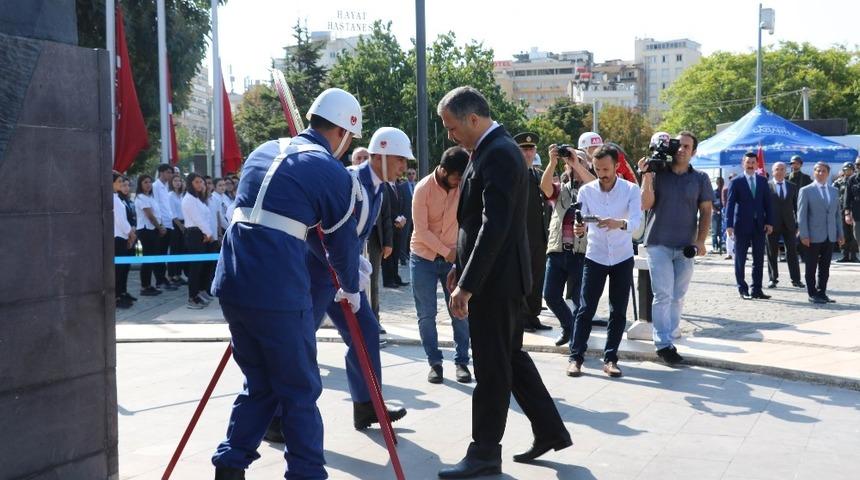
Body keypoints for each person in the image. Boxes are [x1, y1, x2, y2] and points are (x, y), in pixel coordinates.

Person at [210, 87, 364, 480]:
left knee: (260, 384)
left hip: (232, 282)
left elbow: (285, 219)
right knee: (299, 390)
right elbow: (340, 244)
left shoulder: (263, 150)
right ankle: (307, 474)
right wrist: (351, 286)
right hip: (277, 291)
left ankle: (229, 466)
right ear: (344, 133)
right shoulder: (330, 171)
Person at [437, 86, 570, 479]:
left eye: (452, 126)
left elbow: (494, 227)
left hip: (495, 283)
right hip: (497, 277)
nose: (450, 136)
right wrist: (460, 266)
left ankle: (484, 454)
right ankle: (550, 429)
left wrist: (467, 284)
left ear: (473, 119)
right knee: (510, 357)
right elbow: (478, 224)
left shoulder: (498, 152)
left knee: (492, 369)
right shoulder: (492, 150)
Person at [566, 145, 641, 378]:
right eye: (597, 169)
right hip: (595, 254)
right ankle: (575, 357)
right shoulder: (586, 191)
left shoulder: (630, 189)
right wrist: (579, 229)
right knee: (585, 308)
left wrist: (618, 223)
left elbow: (637, 225)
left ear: (617, 166)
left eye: (606, 169)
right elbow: (582, 224)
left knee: (618, 310)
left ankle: (610, 358)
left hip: (622, 256)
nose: (602, 174)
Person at [639, 131, 713, 365]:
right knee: (663, 294)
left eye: (687, 146)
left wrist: (700, 241)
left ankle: (668, 337)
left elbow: (707, 211)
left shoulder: (700, 178)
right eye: (678, 145)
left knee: (678, 296)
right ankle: (662, 343)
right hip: (658, 241)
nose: (682, 149)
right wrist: (647, 175)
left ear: (694, 151)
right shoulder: (658, 172)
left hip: (685, 246)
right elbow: (645, 204)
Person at [410, 146, 471, 384]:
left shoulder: (463, 187)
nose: (459, 181)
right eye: (457, 176)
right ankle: (434, 363)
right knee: (426, 315)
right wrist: (447, 252)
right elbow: (421, 230)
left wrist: (458, 256)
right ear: (444, 171)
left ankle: (462, 362)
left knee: (460, 311)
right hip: (422, 258)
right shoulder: (422, 189)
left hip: (453, 260)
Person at [540, 146, 595, 347]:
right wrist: (552, 162)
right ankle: (569, 326)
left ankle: (578, 341)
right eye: (571, 161)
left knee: (582, 300)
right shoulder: (561, 187)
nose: (574, 164)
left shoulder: (592, 190)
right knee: (550, 295)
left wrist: (576, 163)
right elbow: (545, 187)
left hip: (582, 253)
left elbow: (595, 184)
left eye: (581, 161)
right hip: (558, 250)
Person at [514, 132, 553, 332]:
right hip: (522, 237)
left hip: (539, 237)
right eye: (524, 149)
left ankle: (533, 316)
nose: (528, 153)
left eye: (531, 149)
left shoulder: (537, 175)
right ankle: (521, 318)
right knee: (523, 280)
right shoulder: (513, 174)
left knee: (537, 279)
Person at [726, 152, 774, 300]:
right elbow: (730, 204)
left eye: (753, 162)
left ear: (757, 164)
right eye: (748, 162)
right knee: (740, 258)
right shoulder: (736, 181)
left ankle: (757, 289)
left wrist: (769, 222)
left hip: (759, 226)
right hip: (741, 226)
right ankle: (743, 289)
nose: (751, 164)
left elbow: (768, 203)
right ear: (743, 163)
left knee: (758, 259)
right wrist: (729, 225)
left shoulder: (762, 180)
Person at [798, 162, 845, 304]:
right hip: (812, 235)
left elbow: (837, 215)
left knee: (825, 267)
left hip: (830, 235)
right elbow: (801, 215)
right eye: (818, 171)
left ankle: (822, 292)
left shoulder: (834, 191)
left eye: (823, 171)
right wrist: (804, 234)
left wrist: (840, 233)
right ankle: (812, 293)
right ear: (814, 172)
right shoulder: (806, 190)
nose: (820, 173)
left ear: (828, 173)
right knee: (811, 266)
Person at [766, 162, 804, 288]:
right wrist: (766, 222)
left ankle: (796, 280)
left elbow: (797, 207)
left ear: (786, 171)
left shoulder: (792, 186)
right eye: (777, 169)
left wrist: (798, 224)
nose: (780, 171)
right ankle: (773, 279)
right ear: (773, 171)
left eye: (783, 169)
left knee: (792, 252)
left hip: (789, 224)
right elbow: (763, 207)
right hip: (771, 225)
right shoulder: (766, 186)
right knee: (772, 252)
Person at [181, 173, 215, 309]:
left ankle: (200, 292)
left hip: (202, 233)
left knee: (203, 266)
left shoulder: (198, 199)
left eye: (201, 182)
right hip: (195, 234)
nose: (200, 185)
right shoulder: (188, 199)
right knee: (195, 268)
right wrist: (208, 233)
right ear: (190, 183)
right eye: (197, 182)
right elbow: (197, 219)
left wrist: (207, 233)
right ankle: (192, 297)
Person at [134, 175, 164, 297]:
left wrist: (160, 225)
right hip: (146, 230)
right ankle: (144, 286)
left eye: (149, 182)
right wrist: (159, 227)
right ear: (140, 184)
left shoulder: (150, 197)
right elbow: (150, 216)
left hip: (153, 230)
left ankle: (148, 284)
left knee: (152, 258)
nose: (148, 184)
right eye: (145, 182)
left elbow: (157, 214)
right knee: (147, 259)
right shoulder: (141, 198)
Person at [152, 164, 178, 290]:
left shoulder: (166, 186)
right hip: (162, 224)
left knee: (165, 253)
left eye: (171, 172)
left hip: (169, 223)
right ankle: (159, 280)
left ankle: (164, 278)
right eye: (168, 172)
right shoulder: (156, 186)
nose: (170, 175)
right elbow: (156, 206)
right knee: (160, 253)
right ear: (161, 172)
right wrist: (160, 224)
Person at [113, 172, 137, 309]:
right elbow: (120, 220)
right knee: (118, 269)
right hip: (118, 236)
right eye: (119, 182)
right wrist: (130, 234)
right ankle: (116, 297)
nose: (121, 185)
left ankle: (121, 293)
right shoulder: (113, 198)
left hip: (123, 236)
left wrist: (129, 233)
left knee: (123, 269)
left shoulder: (117, 198)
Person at [833, 162, 858, 262]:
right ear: (843, 170)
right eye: (846, 170)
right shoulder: (838, 182)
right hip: (842, 211)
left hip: (855, 210)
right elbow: (833, 195)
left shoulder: (856, 181)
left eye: (850, 169)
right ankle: (844, 255)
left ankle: (853, 256)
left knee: (854, 234)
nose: (848, 171)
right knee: (844, 233)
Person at [167, 173, 187, 285]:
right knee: (174, 249)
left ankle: (178, 274)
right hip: (176, 224)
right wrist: (180, 226)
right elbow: (172, 213)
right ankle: (171, 274)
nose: (177, 183)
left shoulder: (182, 195)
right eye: (175, 181)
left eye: (179, 181)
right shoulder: (170, 195)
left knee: (181, 249)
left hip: (185, 223)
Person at [843, 156, 860, 262]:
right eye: (858, 165)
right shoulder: (852, 179)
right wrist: (847, 213)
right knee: (859, 238)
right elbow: (847, 197)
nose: (859, 167)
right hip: (857, 214)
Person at [711, 177, 724, 254]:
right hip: (715, 213)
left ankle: (721, 246)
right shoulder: (714, 192)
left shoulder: (725, 191)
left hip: (723, 213)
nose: (721, 184)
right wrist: (716, 211)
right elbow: (711, 203)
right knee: (715, 232)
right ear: (717, 183)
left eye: (722, 182)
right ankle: (715, 247)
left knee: (721, 231)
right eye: (719, 182)